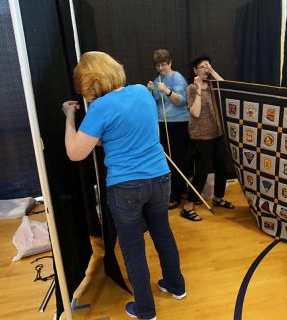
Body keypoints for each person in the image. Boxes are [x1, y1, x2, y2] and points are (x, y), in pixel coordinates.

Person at [62, 51, 186, 320]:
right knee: (162, 232)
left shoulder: (100, 108)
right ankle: (176, 286)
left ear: (90, 81)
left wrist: (69, 118)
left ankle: (145, 310)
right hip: (160, 178)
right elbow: (134, 131)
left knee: (131, 247)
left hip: (126, 186)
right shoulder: (142, 91)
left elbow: (75, 152)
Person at [180, 55, 235, 222]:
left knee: (222, 167)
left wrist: (213, 71)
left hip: (217, 133)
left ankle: (218, 198)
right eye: (203, 66)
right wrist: (197, 88)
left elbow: (225, 87)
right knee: (202, 171)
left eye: (208, 66)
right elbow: (195, 113)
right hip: (201, 136)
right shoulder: (191, 88)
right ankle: (188, 206)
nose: (206, 69)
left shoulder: (213, 85)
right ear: (195, 70)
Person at [147, 49, 190, 210]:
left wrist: (167, 91)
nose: (161, 68)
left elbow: (182, 101)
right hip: (162, 123)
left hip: (178, 123)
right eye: (158, 65)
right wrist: (151, 92)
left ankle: (176, 195)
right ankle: (174, 192)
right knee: (166, 160)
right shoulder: (157, 79)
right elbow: (156, 103)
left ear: (170, 63)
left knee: (177, 159)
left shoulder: (177, 78)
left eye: (164, 64)